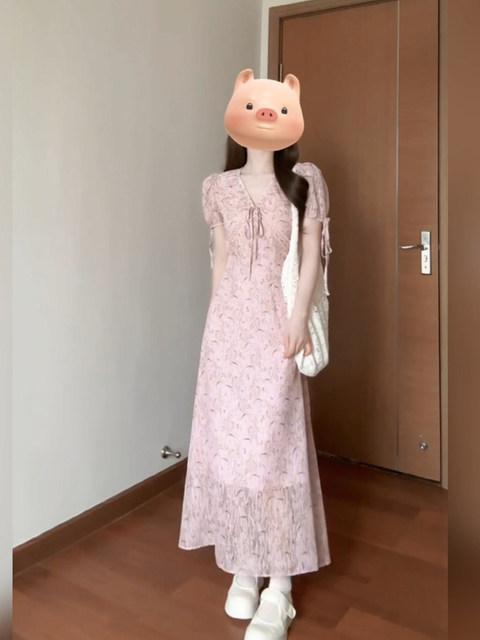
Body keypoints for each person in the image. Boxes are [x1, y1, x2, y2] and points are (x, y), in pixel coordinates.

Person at [179, 68, 331, 640]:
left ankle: (281, 586)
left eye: (277, 107)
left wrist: (297, 319)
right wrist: (215, 331)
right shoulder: (216, 188)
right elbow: (219, 263)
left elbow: (313, 255)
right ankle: (246, 565)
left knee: (275, 451)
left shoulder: (305, 181)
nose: (264, 115)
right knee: (234, 452)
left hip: (277, 331)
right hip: (227, 336)